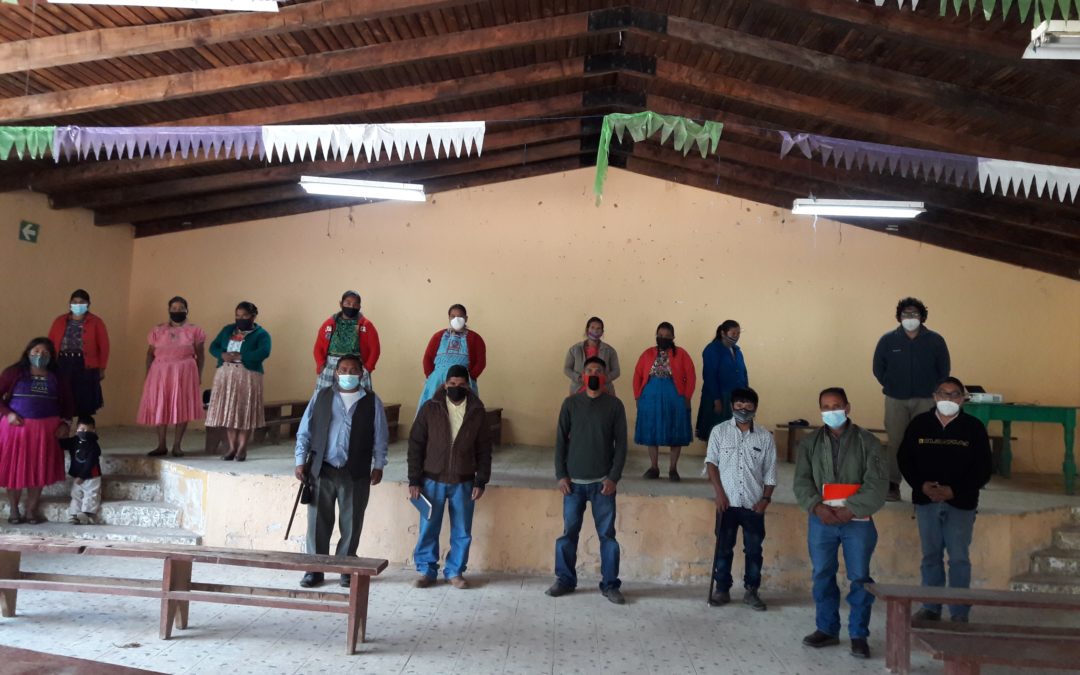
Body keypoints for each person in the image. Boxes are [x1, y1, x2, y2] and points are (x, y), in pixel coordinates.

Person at [793, 387, 887, 659]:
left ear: (847, 407)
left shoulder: (868, 442)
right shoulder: (810, 444)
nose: (831, 410)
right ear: (820, 410)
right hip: (821, 520)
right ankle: (827, 629)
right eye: (825, 406)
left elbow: (878, 483)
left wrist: (851, 509)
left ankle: (859, 634)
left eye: (836, 405)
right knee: (822, 573)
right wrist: (816, 506)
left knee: (859, 577)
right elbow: (801, 481)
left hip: (858, 521)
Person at [898, 377, 993, 623]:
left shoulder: (973, 428)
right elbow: (905, 459)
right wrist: (921, 485)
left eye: (954, 395)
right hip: (926, 501)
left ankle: (959, 612)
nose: (948, 399)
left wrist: (955, 491)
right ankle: (931, 607)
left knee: (959, 558)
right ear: (934, 396)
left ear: (962, 399)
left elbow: (983, 468)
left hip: (961, 504)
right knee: (930, 556)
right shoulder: (919, 424)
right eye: (943, 394)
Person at [293, 355, 388, 588]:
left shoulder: (372, 401)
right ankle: (315, 569)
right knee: (317, 523)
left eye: (353, 370)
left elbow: (380, 436)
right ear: (335, 373)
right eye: (343, 369)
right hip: (321, 469)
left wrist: (378, 465)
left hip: (355, 471)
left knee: (352, 522)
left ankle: (346, 567)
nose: (348, 374)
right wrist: (299, 460)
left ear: (361, 373)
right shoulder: (321, 396)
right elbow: (304, 431)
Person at [546, 356, 627, 604]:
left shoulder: (615, 406)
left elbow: (621, 445)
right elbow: (560, 442)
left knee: (608, 538)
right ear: (582, 376)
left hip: (603, 484)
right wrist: (561, 475)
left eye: (598, 370)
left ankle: (610, 585)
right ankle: (565, 580)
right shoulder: (570, 404)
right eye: (589, 370)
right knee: (568, 535)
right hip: (573, 485)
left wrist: (613, 478)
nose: (593, 373)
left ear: (605, 376)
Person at [408, 364, 492, 589]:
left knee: (462, 531)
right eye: (452, 384)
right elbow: (416, 444)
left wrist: (481, 479)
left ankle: (455, 571)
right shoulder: (430, 407)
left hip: (463, 481)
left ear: (469, 386)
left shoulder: (477, 410)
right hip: (431, 480)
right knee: (428, 528)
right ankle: (427, 570)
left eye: (461, 385)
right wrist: (414, 479)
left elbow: (484, 447)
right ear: (445, 384)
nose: (456, 388)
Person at [705, 387, 775, 611]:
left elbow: (770, 474)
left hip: (754, 506)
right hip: (726, 504)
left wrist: (765, 500)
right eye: (739, 404)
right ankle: (722, 589)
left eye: (748, 404)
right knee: (723, 548)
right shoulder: (719, 431)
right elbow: (711, 464)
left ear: (755, 407)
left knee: (754, 551)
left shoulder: (765, 437)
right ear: (732, 406)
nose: (743, 408)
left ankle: (751, 591)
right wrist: (719, 495)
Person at [873, 297, 950, 502]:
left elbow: (944, 370)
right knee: (896, 442)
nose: (910, 318)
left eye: (915, 314)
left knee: (924, 442)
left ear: (922, 317)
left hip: (926, 400)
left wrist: (933, 390)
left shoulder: (935, 341)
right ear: (899, 317)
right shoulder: (887, 340)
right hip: (895, 399)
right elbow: (878, 369)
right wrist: (891, 385)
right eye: (906, 314)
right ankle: (892, 484)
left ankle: (923, 485)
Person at [0, 338, 71, 525]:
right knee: (14, 472)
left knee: (39, 469)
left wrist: (65, 424)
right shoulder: (13, 373)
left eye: (45, 352)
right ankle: (14, 510)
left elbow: (68, 405)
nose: (40, 355)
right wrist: (8, 414)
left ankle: (31, 510)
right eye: (36, 351)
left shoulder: (57, 377)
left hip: (46, 431)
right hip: (17, 429)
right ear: (28, 352)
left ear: (51, 356)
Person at [138, 296, 206, 457]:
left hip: (185, 372)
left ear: (186, 310)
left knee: (182, 406)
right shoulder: (158, 330)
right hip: (159, 372)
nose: (177, 311)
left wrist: (199, 374)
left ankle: (177, 445)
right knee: (160, 406)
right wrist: (148, 374)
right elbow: (149, 354)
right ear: (169, 310)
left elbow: (200, 355)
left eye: (180, 307)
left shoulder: (195, 331)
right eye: (173, 308)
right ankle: (161, 444)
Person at [205, 301, 271, 462]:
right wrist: (222, 354)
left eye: (245, 316)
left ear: (253, 316)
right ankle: (231, 448)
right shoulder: (228, 330)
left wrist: (243, 356)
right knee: (229, 412)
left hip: (247, 375)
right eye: (237, 315)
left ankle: (242, 448)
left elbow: (264, 352)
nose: (240, 318)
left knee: (243, 411)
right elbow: (213, 346)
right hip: (226, 374)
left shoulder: (261, 334)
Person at [632, 321, 696, 481]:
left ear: (673, 337)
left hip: (675, 396)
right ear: (656, 335)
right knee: (651, 430)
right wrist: (637, 396)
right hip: (650, 396)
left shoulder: (682, 354)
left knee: (675, 430)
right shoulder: (647, 353)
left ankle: (673, 469)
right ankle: (654, 467)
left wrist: (687, 396)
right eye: (660, 335)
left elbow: (691, 376)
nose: (663, 338)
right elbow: (637, 375)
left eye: (667, 336)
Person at [47, 289, 109, 418]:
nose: (78, 305)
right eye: (74, 302)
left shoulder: (96, 322)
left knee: (84, 404)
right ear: (70, 303)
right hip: (63, 364)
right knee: (64, 401)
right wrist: (49, 364)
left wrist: (102, 368)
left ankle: (83, 436)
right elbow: (50, 343)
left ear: (88, 304)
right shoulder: (59, 321)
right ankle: (64, 434)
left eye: (81, 302)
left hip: (86, 366)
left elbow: (104, 346)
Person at [417, 304, 486, 411]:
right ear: (448, 318)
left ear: (466, 318)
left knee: (463, 412)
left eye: (460, 316)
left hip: (462, 381)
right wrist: (431, 376)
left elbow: (481, 362)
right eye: (453, 316)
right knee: (433, 411)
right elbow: (427, 358)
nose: (456, 319)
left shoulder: (475, 338)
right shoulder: (438, 336)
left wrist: (470, 377)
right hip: (437, 382)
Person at [312, 290, 380, 393]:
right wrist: (321, 366)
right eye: (348, 303)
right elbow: (318, 347)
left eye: (355, 304)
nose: (351, 307)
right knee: (325, 400)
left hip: (355, 368)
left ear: (359, 307)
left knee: (359, 400)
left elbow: (375, 349)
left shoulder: (366, 325)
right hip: (330, 367)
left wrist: (368, 368)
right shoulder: (329, 324)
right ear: (341, 304)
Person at [696, 320, 748, 441]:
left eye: (738, 333)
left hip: (736, 398)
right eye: (733, 333)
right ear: (723, 333)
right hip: (719, 397)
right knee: (715, 432)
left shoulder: (737, 351)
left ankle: (729, 459)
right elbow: (709, 376)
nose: (736, 336)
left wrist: (745, 395)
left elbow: (743, 373)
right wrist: (717, 400)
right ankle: (714, 459)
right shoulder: (712, 350)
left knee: (733, 433)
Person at [59, 415, 102, 525]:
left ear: (93, 430)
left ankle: (87, 514)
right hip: (77, 476)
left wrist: (82, 476)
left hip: (91, 476)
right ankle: (74, 515)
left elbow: (90, 463)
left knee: (90, 494)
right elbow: (63, 444)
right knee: (76, 495)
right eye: (81, 429)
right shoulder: (74, 440)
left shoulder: (93, 446)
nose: (84, 432)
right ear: (77, 429)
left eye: (87, 430)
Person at [563, 316, 620, 395]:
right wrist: (579, 378)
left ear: (602, 332)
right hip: (578, 390)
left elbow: (616, 371)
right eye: (592, 328)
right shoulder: (575, 349)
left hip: (604, 391)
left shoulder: (610, 351)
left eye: (598, 328)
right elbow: (567, 369)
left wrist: (604, 379)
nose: (595, 331)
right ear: (587, 330)